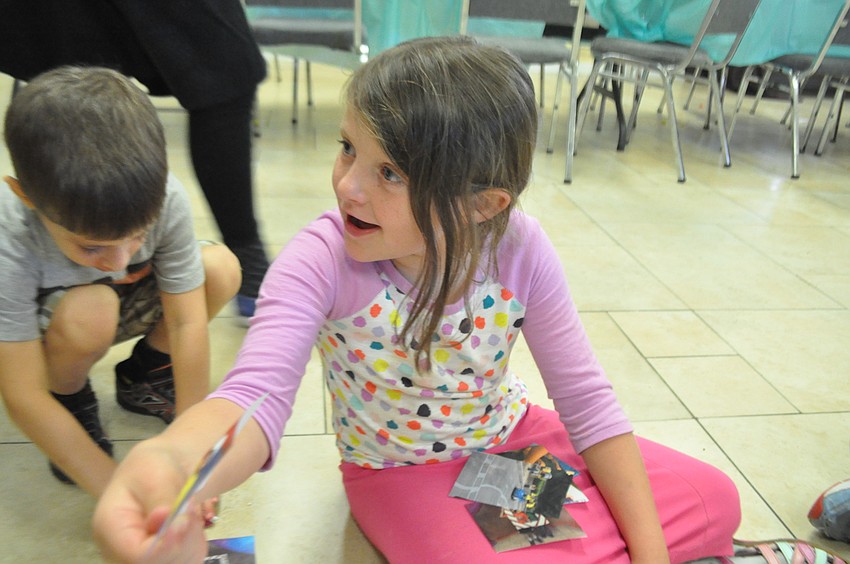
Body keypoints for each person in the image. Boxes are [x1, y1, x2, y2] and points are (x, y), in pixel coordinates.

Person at [92, 36, 741, 563]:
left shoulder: (519, 246)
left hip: (509, 441)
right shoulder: (321, 256)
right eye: (347, 148)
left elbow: (587, 403)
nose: (347, 186)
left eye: (389, 173)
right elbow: (254, 396)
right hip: (400, 473)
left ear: (483, 205)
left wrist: (651, 553)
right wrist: (173, 458)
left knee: (714, 499)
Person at [0, 66, 241, 497]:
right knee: (90, 311)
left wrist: (190, 446)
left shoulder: (166, 196)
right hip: (58, 330)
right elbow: (21, 391)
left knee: (219, 268)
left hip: (124, 303)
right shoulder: (10, 233)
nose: (118, 260)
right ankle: (71, 397)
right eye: (92, 247)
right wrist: (115, 490)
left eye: (139, 235)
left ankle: (146, 376)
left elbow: (187, 324)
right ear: (26, 197)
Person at [0, 0, 270, 318]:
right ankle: (73, 262)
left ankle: (244, 246)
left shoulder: (170, 199)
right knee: (72, 84)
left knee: (226, 68)